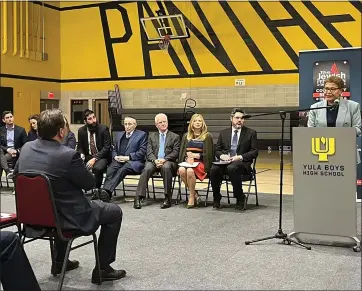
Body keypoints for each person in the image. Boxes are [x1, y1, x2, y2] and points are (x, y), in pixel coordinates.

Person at [14, 109, 126, 283]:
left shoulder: (26, 148)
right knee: (114, 211)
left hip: (31, 217)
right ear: (61, 131)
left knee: (57, 203)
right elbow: (89, 184)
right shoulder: (67, 155)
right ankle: (103, 268)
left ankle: (59, 261)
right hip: (66, 217)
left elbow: (17, 175)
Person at [210, 108, 258, 210]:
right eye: (237, 118)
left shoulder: (251, 133)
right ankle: (216, 197)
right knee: (214, 169)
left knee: (232, 168)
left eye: (242, 118)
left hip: (241, 164)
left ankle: (240, 196)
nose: (240, 120)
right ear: (231, 118)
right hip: (225, 162)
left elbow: (254, 152)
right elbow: (217, 150)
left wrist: (239, 157)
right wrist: (222, 156)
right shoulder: (224, 133)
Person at [307, 76, 361, 163]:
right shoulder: (315, 107)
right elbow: (310, 130)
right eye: (326, 89)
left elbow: (358, 129)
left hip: (345, 151)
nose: (328, 92)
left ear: (341, 91)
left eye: (332, 89)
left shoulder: (353, 106)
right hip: (323, 153)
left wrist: (340, 133)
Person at [134, 113, 180, 209]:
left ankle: (167, 198)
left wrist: (164, 159)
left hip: (169, 161)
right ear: (156, 125)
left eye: (164, 122)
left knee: (166, 167)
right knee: (147, 168)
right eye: (160, 122)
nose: (163, 124)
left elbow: (176, 152)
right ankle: (138, 197)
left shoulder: (175, 136)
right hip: (154, 161)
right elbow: (149, 151)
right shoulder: (151, 136)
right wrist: (155, 161)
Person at [97, 116, 147, 202]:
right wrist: (115, 156)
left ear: (135, 125)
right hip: (119, 160)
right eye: (125, 124)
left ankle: (107, 191)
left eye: (130, 124)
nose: (127, 126)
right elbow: (113, 149)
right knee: (111, 169)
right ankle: (106, 193)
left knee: (122, 170)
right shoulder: (119, 134)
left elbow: (142, 152)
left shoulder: (142, 135)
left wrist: (128, 157)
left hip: (133, 162)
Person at [178, 114, 213, 208]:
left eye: (200, 121)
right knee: (181, 170)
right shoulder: (187, 136)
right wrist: (187, 158)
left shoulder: (207, 136)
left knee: (189, 171)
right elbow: (182, 152)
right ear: (191, 123)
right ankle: (195, 194)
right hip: (189, 162)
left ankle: (191, 197)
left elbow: (209, 155)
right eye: (195, 121)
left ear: (203, 123)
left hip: (202, 163)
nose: (197, 123)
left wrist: (197, 155)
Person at [77, 110, 111, 190]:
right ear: (85, 121)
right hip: (88, 156)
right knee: (74, 165)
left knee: (97, 168)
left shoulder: (103, 129)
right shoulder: (81, 131)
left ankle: (96, 190)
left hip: (102, 156)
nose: (93, 121)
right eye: (90, 119)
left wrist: (94, 159)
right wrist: (81, 154)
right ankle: (80, 189)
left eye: (94, 117)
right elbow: (80, 146)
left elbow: (106, 147)